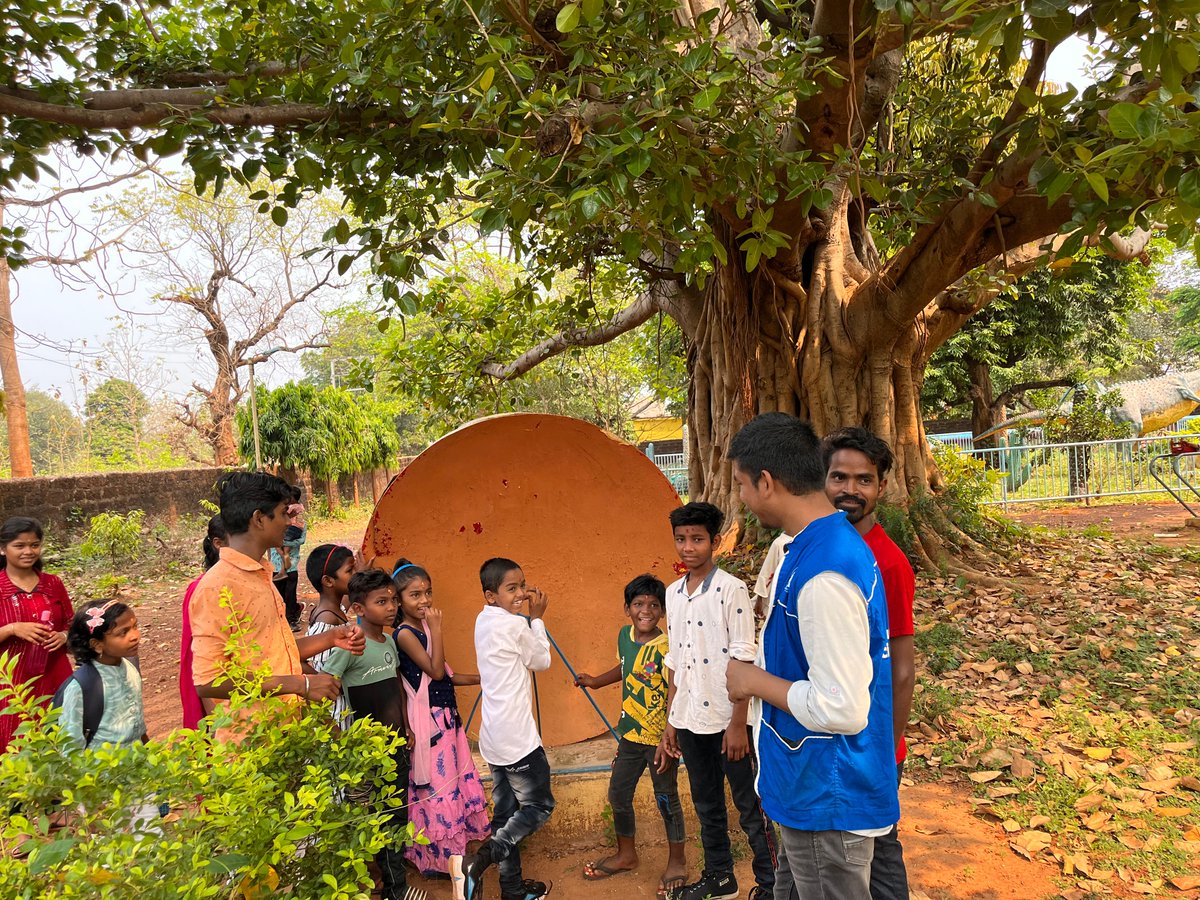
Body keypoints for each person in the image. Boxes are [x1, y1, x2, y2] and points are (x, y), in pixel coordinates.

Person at [725, 413, 899, 900]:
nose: (739, 497)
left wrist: (751, 681)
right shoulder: (806, 547)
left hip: (829, 794)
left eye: (741, 484)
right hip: (804, 784)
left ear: (765, 482)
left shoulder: (825, 572)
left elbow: (842, 706)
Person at [657, 502, 777, 900]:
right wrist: (672, 721)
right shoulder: (672, 593)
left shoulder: (731, 589)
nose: (688, 547)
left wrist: (738, 722)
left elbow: (743, 656)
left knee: (750, 806)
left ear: (714, 542)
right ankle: (720, 878)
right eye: (681, 539)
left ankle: (772, 884)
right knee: (707, 804)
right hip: (691, 719)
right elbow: (676, 661)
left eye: (697, 539)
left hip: (729, 721)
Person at [823, 427, 915, 900]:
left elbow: (901, 667)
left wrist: (887, 748)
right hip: (827, 730)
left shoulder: (890, 564)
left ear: (881, 487)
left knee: (879, 848)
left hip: (872, 740)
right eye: (840, 477)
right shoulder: (814, 547)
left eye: (864, 480)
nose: (850, 490)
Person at [189, 472, 364, 722]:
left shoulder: (260, 574)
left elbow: (276, 652)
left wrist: (331, 637)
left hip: (284, 733)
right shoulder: (216, 587)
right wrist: (300, 685)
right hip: (254, 741)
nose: (289, 523)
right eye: (283, 513)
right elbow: (208, 682)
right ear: (259, 519)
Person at [575, 573, 687, 899]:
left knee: (666, 799)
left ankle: (677, 862)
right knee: (618, 795)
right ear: (627, 609)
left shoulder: (667, 647)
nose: (646, 610)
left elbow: (675, 692)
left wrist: (671, 731)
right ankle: (626, 855)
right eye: (639, 604)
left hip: (660, 741)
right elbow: (626, 668)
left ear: (662, 612)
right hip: (629, 737)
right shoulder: (624, 636)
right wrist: (596, 681)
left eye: (654, 605)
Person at [321, 569, 428, 900]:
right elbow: (324, 690)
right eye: (382, 601)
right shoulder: (351, 645)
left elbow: (396, 683)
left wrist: (407, 727)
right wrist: (341, 738)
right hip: (369, 754)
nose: (392, 607)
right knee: (376, 820)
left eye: (393, 600)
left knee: (397, 816)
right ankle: (389, 888)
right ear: (358, 608)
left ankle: (397, 888)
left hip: (396, 746)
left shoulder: (388, 641)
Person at [391, 558, 490, 892]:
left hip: (447, 721)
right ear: (399, 600)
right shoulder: (405, 634)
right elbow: (433, 672)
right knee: (437, 787)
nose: (424, 601)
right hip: (430, 725)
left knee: (453, 781)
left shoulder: (420, 630)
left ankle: (454, 852)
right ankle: (438, 858)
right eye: (415, 595)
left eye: (428, 593)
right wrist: (437, 629)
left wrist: (485, 678)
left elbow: (446, 675)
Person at [464, 557, 554, 900]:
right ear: (491, 595)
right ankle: (482, 859)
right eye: (511, 588)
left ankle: (512, 890)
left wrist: (524, 617)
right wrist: (538, 620)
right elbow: (541, 661)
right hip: (517, 739)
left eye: (522, 585)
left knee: (506, 815)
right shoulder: (517, 626)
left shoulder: (482, 620)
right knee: (538, 806)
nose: (520, 594)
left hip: (494, 738)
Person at [0, 516, 74, 754]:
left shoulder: (52, 584)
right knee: (14, 735)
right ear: (3, 549)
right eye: (19, 546)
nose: (28, 551)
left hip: (54, 672)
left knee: (61, 730)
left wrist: (63, 636)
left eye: (34, 545)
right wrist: (12, 629)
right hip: (11, 681)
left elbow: (73, 625)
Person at [60, 600, 145, 749]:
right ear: (97, 644)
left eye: (135, 626)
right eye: (123, 632)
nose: (135, 636)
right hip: (101, 769)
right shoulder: (81, 687)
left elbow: (137, 724)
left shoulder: (130, 668)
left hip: (137, 765)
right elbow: (70, 747)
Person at [179, 515, 227, 729]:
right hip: (216, 692)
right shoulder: (204, 589)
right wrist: (218, 723)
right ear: (218, 544)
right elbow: (202, 656)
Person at [304, 543, 357, 726]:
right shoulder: (326, 621)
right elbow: (297, 658)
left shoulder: (334, 609)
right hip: (333, 713)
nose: (355, 575)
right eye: (350, 571)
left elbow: (345, 604)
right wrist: (320, 678)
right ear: (328, 581)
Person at [269, 485, 306, 630]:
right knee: (278, 594)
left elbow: (301, 539)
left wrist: (282, 543)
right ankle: (284, 618)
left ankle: (291, 619)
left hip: (292, 564)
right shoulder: (277, 517)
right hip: (276, 564)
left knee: (290, 594)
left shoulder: (298, 517)